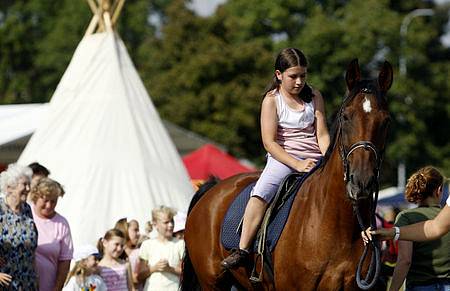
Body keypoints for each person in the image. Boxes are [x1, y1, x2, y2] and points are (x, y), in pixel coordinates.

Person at [221, 47, 330, 269]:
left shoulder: (315, 96)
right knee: (262, 192)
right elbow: (269, 142)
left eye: (303, 76)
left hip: (315, 157)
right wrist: (298, 164)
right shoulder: (272, 100)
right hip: (283, 159)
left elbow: (322, 134)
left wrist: (329, 158)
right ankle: (242, 249)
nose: (299, 82)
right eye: (293, 76)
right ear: (279, 75)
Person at [30, 177, 74, 291]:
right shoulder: (26, 215)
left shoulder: (62, 223)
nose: (49, 205)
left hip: (48, 285)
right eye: (45, 200)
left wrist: (57, 288)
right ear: (36, 198)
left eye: (53, 201)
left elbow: (65, 260)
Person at [0, 163, 38, 290]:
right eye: (24, 185)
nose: (28, 189)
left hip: (27, 282)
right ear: (9, 187)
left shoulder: (27, 209)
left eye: (29, 184)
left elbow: (32, 249)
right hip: (5, 283)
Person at [138, 206, 184, 291]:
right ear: (155, 224)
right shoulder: (147, 245)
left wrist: (170, 269)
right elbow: (139, 276)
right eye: (166, 222)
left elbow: (186, 273)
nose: (171, 225)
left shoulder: (180, 244)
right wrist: (154, 268)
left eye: (172, 221)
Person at [115, 218, 146, 290]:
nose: (139, 233)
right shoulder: (116, 255)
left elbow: (136, 278)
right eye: (135, 230)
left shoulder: (139, 252)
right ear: (125, 230)